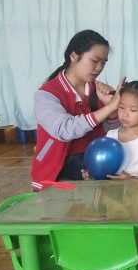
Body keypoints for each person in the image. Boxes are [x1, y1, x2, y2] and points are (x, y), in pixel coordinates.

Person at [31, 30, 125, 191]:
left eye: (103, 63)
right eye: (94, 61)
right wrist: (109, 107)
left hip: (93, 167)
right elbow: (65, 129)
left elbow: (113, 131)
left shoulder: (99, 90)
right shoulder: (46, 94)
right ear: (74, 56)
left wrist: (112, 111)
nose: (99, 68)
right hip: (56, 172)